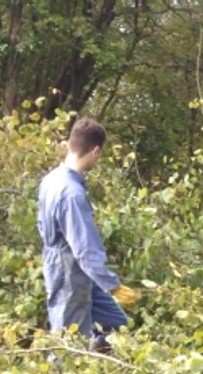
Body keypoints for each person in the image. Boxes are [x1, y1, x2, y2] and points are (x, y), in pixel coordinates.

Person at [38, 117, 138, 352]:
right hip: (69, 271)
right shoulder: (72, 193)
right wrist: (112, 285)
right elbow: (85, 248)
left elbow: (42, 226)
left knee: (116, 324)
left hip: (73, 268)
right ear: (95, 151)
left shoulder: (50, 179)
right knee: (70, 345)